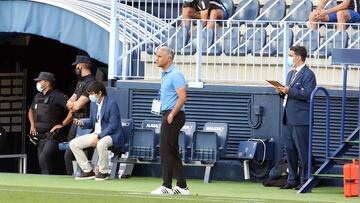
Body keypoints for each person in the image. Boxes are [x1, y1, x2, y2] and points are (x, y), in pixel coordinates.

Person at [273, 46, 316, 190]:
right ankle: (292, 179)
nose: (289, 57)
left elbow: (309, 94)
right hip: (288, 117)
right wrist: (281, 91)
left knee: (303, 151)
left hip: (301, 118)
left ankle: (305, 180)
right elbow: (289, 94)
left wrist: (289, 90)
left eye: (291, 55)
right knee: (290, 149)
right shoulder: (291, 73)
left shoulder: (308, 74)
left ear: (298, 57)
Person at [150, 46, 189, 195]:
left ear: (169, 58)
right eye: (156, 56)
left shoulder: (175, 74)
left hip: (173, 115)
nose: (156, 59)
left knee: (165, 150)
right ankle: (182, 186)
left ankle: (167, 186)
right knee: (172, 151)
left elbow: (183, 97)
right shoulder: (165, 74)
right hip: (168, 114)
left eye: (159, 56)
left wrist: (172, 114)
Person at [69, 81, 124, 180]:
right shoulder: (93, 104)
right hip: (96, 134)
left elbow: (113, 126)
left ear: (99, 93)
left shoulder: (112, 104)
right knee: (73, 144)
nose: (90, 96)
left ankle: (104, 172)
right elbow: (92, 121)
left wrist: (99, 137)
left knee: (101, 143)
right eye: (89, 94)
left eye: (92, 94)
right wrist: (82, 123)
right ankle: (88, 171)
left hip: (112, 135)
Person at [28, 72, 73, 174]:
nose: (38, 83)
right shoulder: (37, 96)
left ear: (47, 83)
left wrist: (62, 124)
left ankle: (48, 180)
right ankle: (45, 182)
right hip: (40, 137)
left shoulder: (57, 96)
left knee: (44, 157)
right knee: (41, 160)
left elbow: (72, 109)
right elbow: (30, 111)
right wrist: (32, 125)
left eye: (40, 81)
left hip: (52, 136)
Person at [64, 55, 96, 175]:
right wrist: (74, 103)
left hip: (86, 123)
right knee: (69, 152)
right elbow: (69, 103)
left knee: (74, 152)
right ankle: (73, 176)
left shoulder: (91, 82)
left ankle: (86, 174)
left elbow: (77, 106)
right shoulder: (80, 82)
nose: (76, 68)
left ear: (80, 66)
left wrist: (75, 104)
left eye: (77, 66)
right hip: (76, 121)